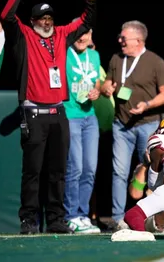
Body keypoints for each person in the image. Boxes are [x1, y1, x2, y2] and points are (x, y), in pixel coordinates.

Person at [1, 0, 96, 234]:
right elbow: (6, 14)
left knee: (58, 171)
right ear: (32, 21)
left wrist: (90, 0)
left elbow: (86, 23)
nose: (46, 21)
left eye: (49, 17)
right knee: (32, 172)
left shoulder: (62, 35)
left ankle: (55, 219)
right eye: (41, 18)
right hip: (33, 112)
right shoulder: (25, 35)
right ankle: (29, 220)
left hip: (58, 113)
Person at [100, 20, 164, 230]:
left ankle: (153, 217)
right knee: (119, 172)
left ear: (139, 40)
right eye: (120, 38)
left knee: (153, 171)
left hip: (147, 124)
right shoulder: (116, 58)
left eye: (124, 38)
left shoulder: (155, 62)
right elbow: (108, 82)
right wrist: (106, 89)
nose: (120, 41)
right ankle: (118, 219)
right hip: (121, 125)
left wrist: (147, 105)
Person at [63, 27, 101, 233]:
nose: (81, 38)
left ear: (91, 35)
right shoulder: (64, 53)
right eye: (77, 35)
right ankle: (70, 215)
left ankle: (82, 214)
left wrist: (96, 90)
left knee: (89, 169)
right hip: (70, 115)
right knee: (75, 167)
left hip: (90, 116)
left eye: (85, 34)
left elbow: (96, 81)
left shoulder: (94, 55)